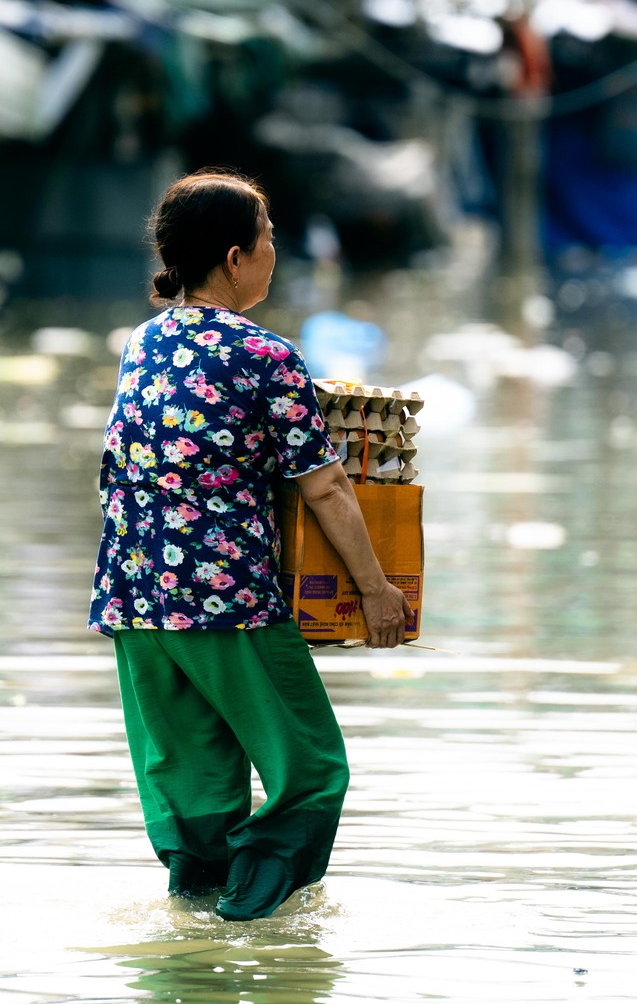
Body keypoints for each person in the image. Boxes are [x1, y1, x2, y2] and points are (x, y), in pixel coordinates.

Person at [89, 170, 410, 922]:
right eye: (268, 240)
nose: (274, 253)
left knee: (197, 788)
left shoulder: (144, 341)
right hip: (223, 596)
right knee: (312, 772)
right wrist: (375, 591)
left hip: (135, 597)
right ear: (235, 258)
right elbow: (325, 488)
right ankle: (250, 924)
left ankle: (193, 942)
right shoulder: (266, 355)